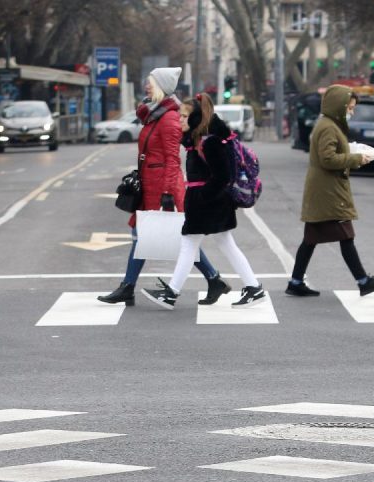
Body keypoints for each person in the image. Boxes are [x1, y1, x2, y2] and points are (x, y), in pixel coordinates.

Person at [98, 68, 229, 307]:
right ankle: (213, 279)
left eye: (150, 83)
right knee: (158, 237)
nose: (146, 87)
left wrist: (168, 194)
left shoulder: (168, 118)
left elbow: (172, 159)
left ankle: (128, 287)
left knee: (161, 238)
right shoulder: (155, 114)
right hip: (150, 183)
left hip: (162, 187)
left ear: (161, 86)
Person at [141, 93, 267, 310]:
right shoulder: (200, 140)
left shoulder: (209, 143)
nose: (179, 120)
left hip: (207, 203)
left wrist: (202, 197)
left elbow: (222, 176)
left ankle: (171, 293)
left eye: (183, 116)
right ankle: (253, 287)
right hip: (213, 202)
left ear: (196, 119)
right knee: (224, 243)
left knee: (189, 244)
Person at [285, 85, 374, 298]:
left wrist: (352, 152)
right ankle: (363, 281)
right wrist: (356, 158)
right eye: (349, 108)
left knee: (311, 238)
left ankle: (296, 282)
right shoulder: (329, 127)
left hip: (324, 189)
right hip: (328, 191)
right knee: (346, 235)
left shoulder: (329, 124)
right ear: (338, 106)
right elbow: (328, 159)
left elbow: (330, 154)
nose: (351, 112)